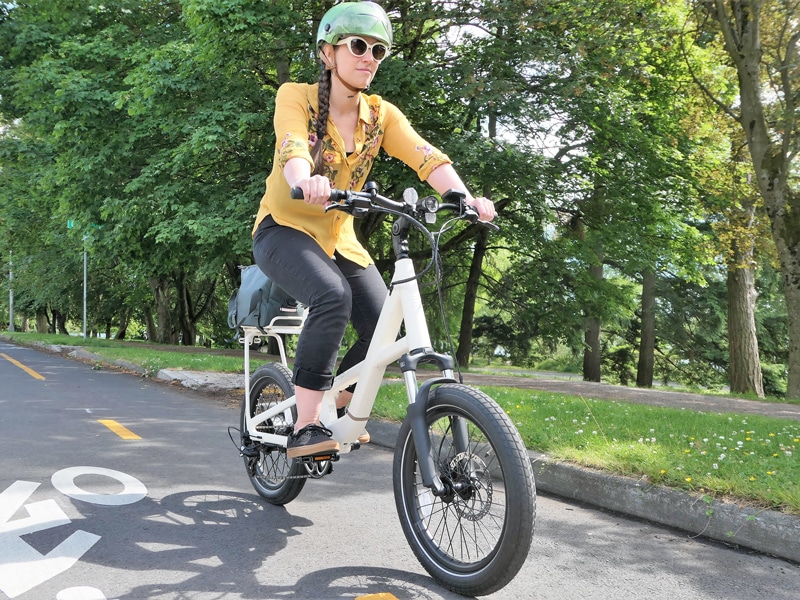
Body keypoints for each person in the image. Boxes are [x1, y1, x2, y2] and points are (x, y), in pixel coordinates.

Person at [251, 1, 496, 459]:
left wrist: (463, 198)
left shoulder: (381, 114)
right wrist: (305, 179)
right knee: (332, 296)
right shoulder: (296, 96)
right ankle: (305, 426)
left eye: (378, 50)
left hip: (339, 238)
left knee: (384, 326)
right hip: (283, 228)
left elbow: (426, 156)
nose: (369, 57)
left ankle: (333, 412)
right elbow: (291, 144)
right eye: (358, 45)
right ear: (328, 53)